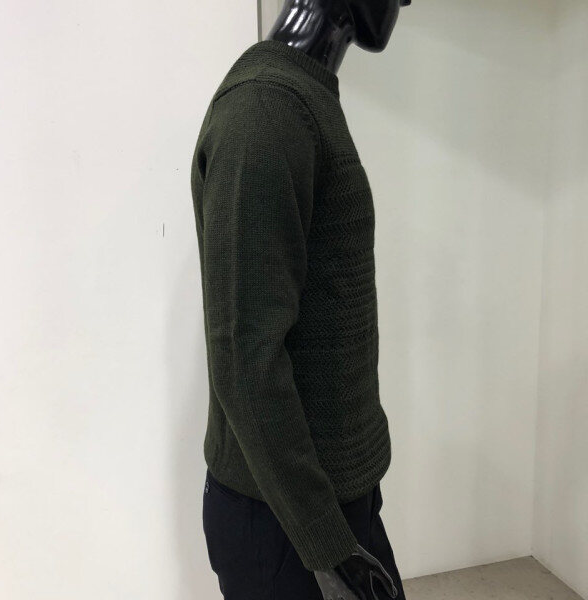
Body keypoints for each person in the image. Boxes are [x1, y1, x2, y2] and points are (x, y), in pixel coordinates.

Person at [190, 1, 411, 597]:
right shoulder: (265, 111)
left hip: (322, 506)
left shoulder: (300, 98)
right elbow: (246, 361)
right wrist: (329, 549)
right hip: (289, 527)